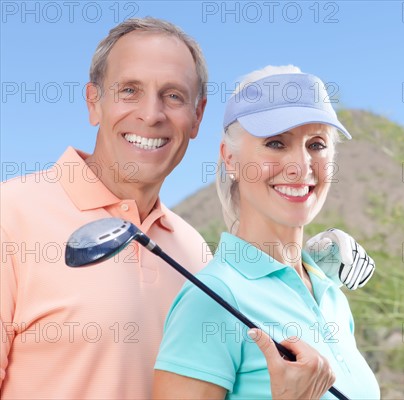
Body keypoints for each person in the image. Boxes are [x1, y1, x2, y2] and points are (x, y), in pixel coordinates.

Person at [0, 19, 374, 399]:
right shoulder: (9, 216)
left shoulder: (192, 250)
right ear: (93, 101)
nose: (151, 114)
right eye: (129, 90)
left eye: (174, 96)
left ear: (197, 116)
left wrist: (315, 264)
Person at [153, 66, 380, 399]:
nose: (300, 166)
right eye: (276, 143)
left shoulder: (331, 296)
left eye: (316, 145)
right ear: (229, 158)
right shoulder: (213, 298)